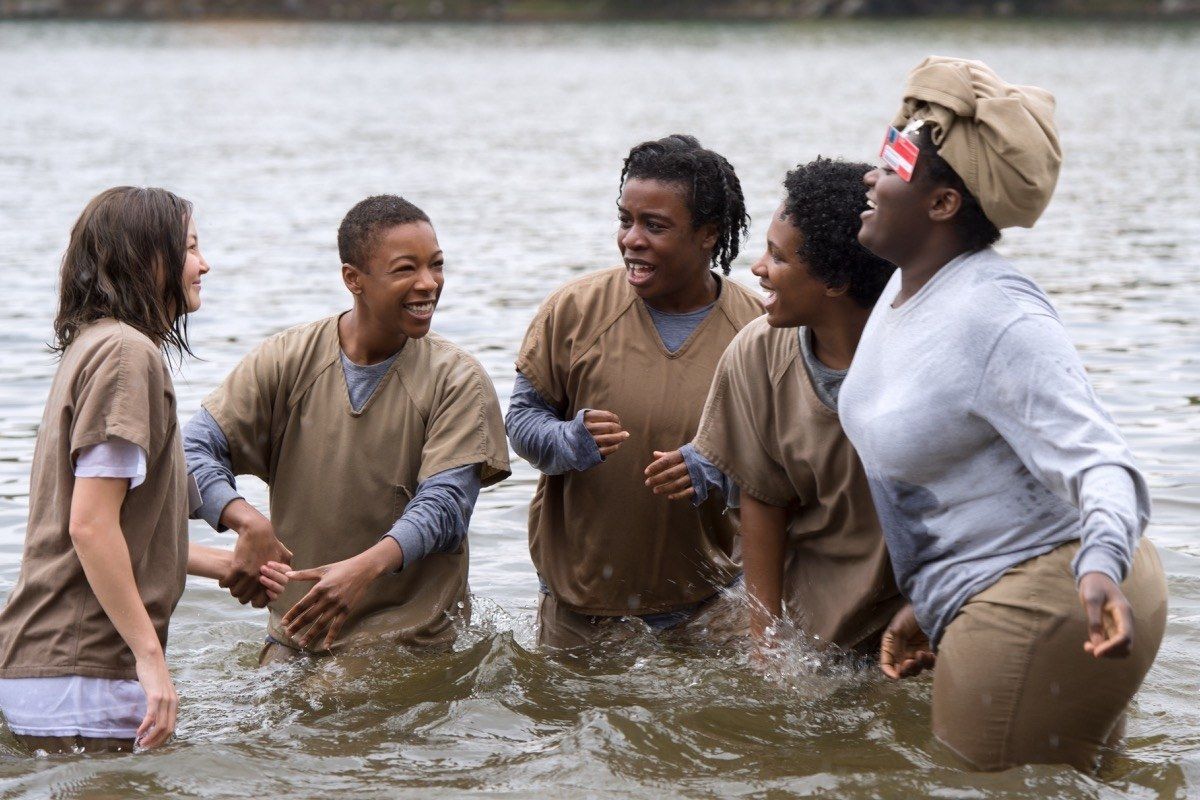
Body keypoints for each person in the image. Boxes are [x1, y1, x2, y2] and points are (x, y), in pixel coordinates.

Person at [839, 56, 1169, 771]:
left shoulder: (997, 315)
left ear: (942, 204)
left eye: (892, 162)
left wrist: (1099, 566)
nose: (869, 175)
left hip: (1063, 590)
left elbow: (1101, 461)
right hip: (1023, 588)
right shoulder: (909, 288)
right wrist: (932, 601)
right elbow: (966, 477)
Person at [0, 187, 287, 754]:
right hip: (82, 676)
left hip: (49, 669)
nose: (205, 264)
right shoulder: (127, 354)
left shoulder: (92, 346)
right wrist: (152, 661)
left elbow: (115, 529)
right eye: (190, 248)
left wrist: (224, 565)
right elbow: (90, 527)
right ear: (147, 258)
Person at [184, 195, 509, 663]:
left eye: (436, 265)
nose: (429, 283)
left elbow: (445, 507)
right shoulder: (285, 359)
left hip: (408, 638)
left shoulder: (458, 379)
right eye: (406, 269)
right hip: (297, 632)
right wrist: (244, 519)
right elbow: (192, 450)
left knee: (332, 699)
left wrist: (363, 570)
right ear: (353, 279)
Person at [507, 134, 764, 649]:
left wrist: (716, 466)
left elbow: (784, 463)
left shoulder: (756, 329)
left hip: (710, 606)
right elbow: (521, 420)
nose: (631, 239)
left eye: (655, 226)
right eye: (625, 220)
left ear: (708, 234)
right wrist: (566, 441)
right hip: (579, 605)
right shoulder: (574, 310)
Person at [688, 158, 903, 656]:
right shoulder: (758, 352)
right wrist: (766, 643)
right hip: (818, 624)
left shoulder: (925, 352)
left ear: (835, 281)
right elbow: (763, 500)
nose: (758, 269)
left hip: (917, 618)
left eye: (777, 256)